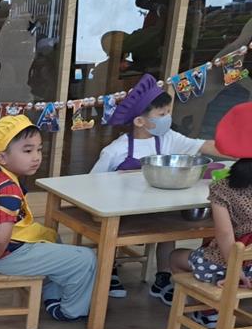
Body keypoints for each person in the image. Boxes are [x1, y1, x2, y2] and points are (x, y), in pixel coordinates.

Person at [90, 74, 228, 301]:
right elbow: (91, 183)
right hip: (123, 213)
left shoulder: (168, 138)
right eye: (162, 114)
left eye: (168, 112)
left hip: (157, 208)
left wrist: (241, 149)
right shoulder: (116, 150)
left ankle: (162, 277)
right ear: (139, 121)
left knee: (168, 226)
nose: (168, 118)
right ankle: (109, 268)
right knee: (115, 227)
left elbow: (204, 146)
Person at [0, 115, 98, 321]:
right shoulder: (7, 191)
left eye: (39, 149)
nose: (36, 157)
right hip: (3, 256)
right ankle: (70, 311)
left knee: (51, 236)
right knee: (86, 258)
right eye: (27, 151)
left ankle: (51, 295)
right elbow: (1, 240)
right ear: (2, 157)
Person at [170, 103, 252, 329]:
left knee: (176, 257)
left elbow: (225, 234)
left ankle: (207, 312)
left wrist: (235, 272)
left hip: (231, 266)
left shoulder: (222, 188)